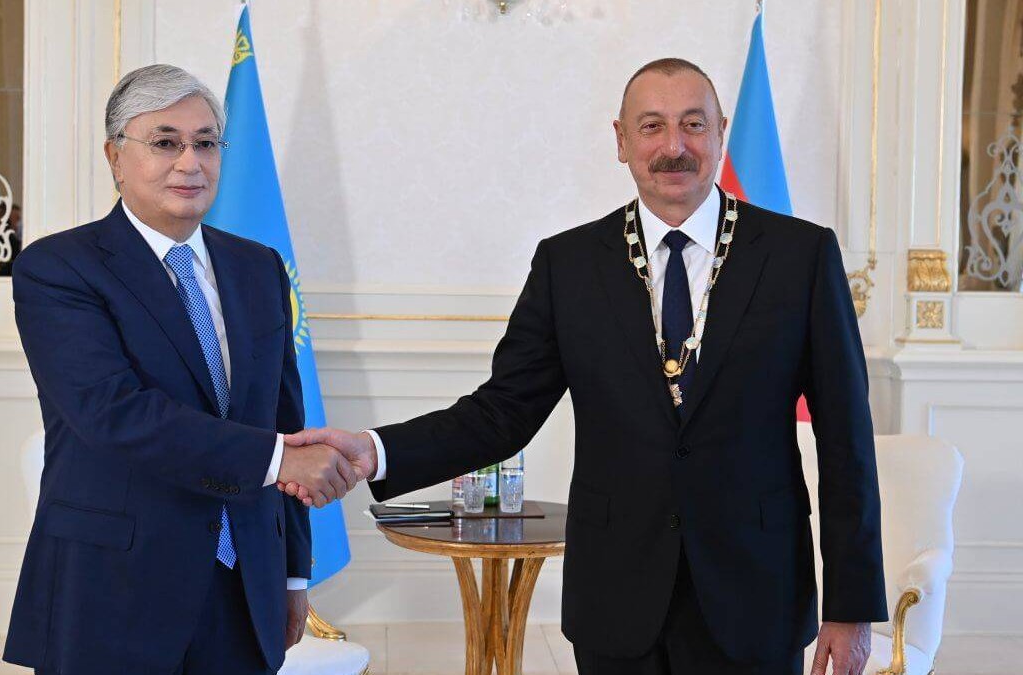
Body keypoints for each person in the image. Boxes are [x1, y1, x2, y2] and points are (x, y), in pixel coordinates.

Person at [283, 58, 887, 675]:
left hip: (756, 594)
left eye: (693, 124)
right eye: (651, 126)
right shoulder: (568, 264)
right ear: (621, 141)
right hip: (617, 598)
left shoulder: (800, 256)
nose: (673, 147)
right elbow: (501, 414)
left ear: (721, 132)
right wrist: (375, 450)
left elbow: (847, 443)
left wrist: (852, 606)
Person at [3, 64, 361, 675]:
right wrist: (277, 459)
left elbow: (287, 423)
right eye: (165, 142)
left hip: (245, 581)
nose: (190, 163)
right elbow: (113, 414)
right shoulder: (59, 268)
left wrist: (292, 574)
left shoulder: (259, 268)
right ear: (116, 158)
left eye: (206, 143)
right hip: (114, 585)